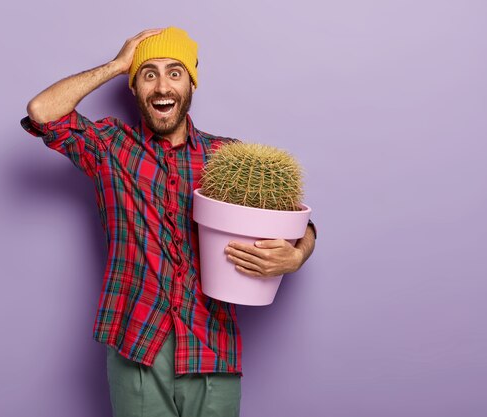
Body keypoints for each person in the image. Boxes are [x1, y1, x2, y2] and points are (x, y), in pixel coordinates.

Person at [20, 27, 317, 417]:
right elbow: (42, 112)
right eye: (149, 73)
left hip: (210, 344)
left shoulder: (228, 156)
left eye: (175, 73)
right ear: (134, 87)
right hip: (137, 342)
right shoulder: (110, 146)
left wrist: (295, 256)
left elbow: (298, 221)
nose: (162, 86)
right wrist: (117, 64)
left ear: (191, 82)